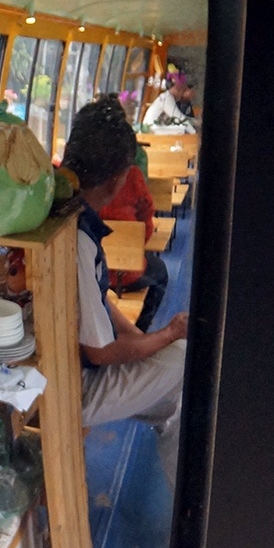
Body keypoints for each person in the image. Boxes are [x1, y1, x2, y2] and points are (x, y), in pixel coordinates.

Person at [60, 98, 188, 483]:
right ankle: (184, 489)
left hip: (52, 361)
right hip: (73, 386)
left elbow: (95, 300)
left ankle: (168, 424)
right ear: (118, 180)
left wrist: (138, 338)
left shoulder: (59, 211)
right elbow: (99, 353)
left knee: (171, 393)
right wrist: (168, 334)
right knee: (184, 360)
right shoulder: (80, 239)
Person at [99, 139, 168, 326]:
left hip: (87, 272)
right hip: (124, 276)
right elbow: (146, 228)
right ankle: (140, 329)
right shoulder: (133, 175)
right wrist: (132, 246)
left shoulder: (80, 178)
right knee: (160, 271)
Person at [142, 69, 197, 133]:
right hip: (151, 131)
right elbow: (179, 118)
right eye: (183, 91)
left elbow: (180, 118)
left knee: (182, 128)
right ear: (177, 88)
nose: (182, 95)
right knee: (182, 129)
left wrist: (196, 122)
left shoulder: (166, 97)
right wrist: (194, 133)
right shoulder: (167, 98)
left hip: (154, 129)